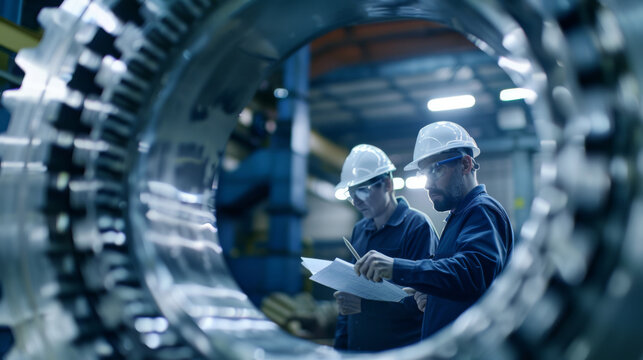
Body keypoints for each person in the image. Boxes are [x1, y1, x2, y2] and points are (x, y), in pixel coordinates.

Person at [354, 121, 514, 339]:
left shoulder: (482, 210)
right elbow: (463, 286)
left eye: (435, 170)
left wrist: (396, 267)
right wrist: (435, 296)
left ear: (466, 165)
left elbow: (472, 273)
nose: (427, 184)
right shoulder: (459, 217)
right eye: (423, 174)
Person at [333, 144, 439, 352]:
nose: (355, 201)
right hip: (359, 350)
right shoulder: (360, 230)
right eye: (351, 193)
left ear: (388, 184)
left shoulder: (417, 226)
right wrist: (340, 347)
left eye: (362, 191)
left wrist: (364, 305)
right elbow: (350, 293)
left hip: (400, 351)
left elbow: (426, 301)